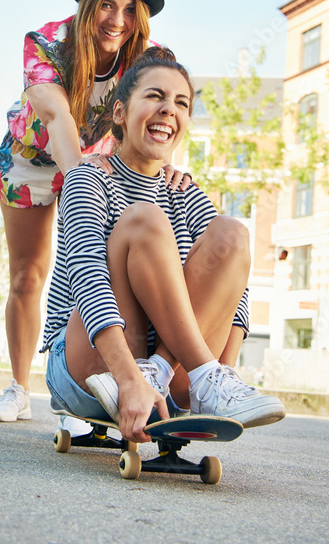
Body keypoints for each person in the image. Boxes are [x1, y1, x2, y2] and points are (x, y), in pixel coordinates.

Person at [41, 46, 285, 443]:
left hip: (170, 372)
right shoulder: (89, 179)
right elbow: (86, 277)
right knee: (146, 220)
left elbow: (234, 288)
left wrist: (223, 374)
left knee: (232, 234)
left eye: (181, 103)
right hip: (92, 364)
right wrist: (128, 377)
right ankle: (143, 377)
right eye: (155, 96)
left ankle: (199, 380)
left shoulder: (187, 193)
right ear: (119, 113)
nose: (169, 109)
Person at [0, 0, 189, 422]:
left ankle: (94, 374)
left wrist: (169, 166)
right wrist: (82, 181)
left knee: (104, 260)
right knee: (27, 276)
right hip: (32, 159)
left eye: (131, 9)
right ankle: (18, 389)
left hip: (97, 159)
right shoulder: (46, 44)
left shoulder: (148, 58)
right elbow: (56, 117)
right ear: (87, 6)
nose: (117, 20)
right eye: (107, 6)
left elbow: (160, 114)